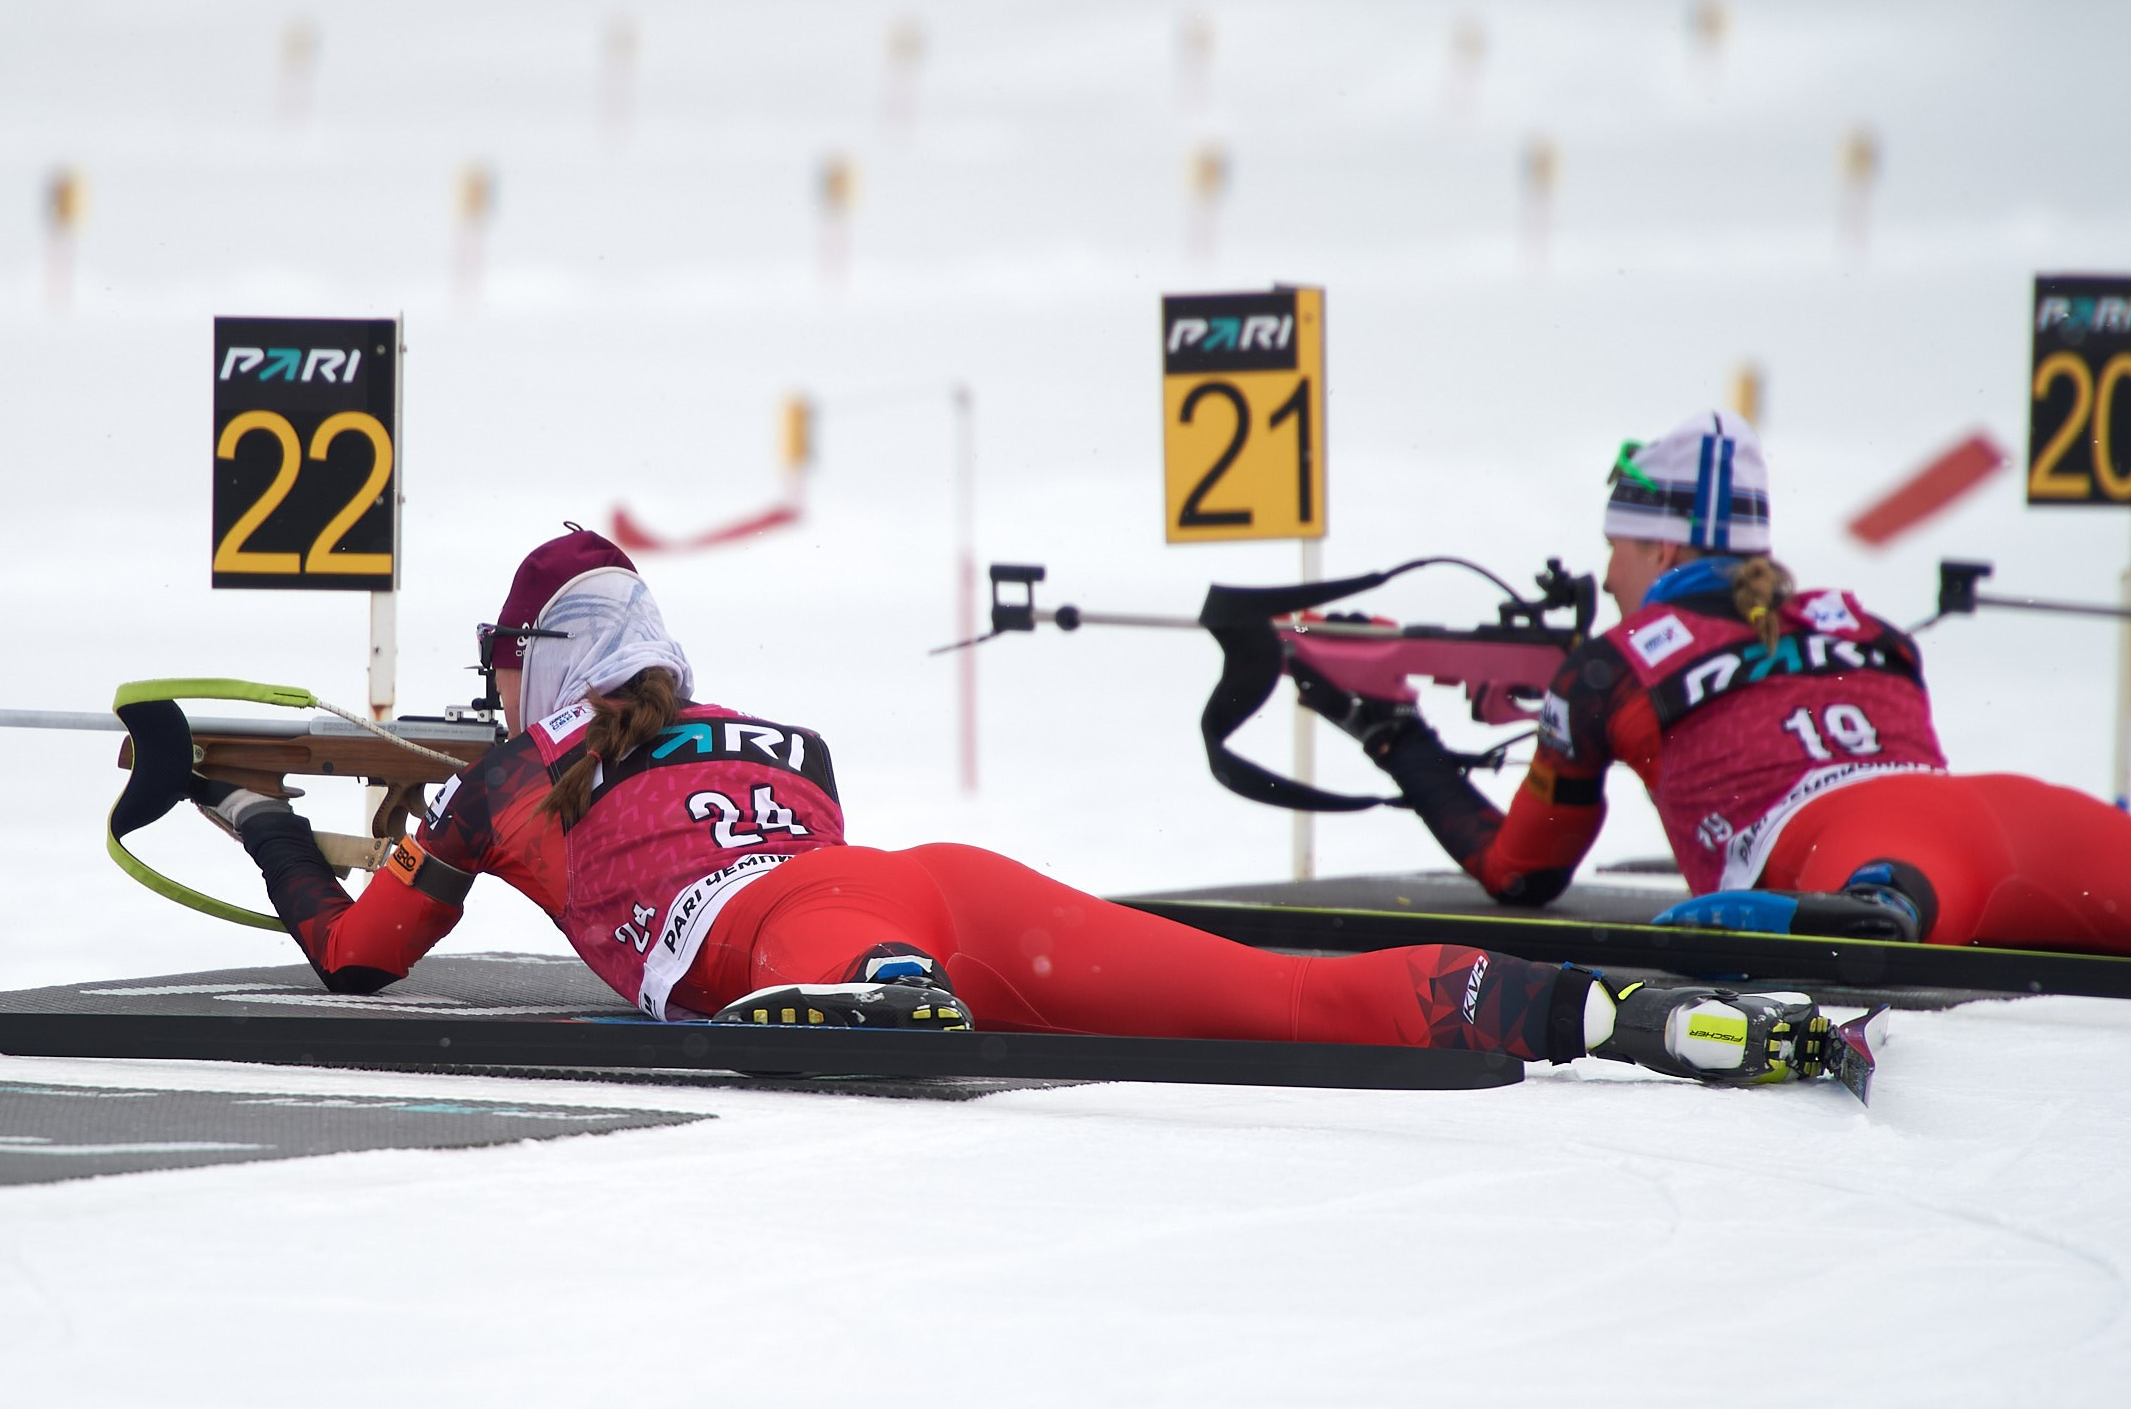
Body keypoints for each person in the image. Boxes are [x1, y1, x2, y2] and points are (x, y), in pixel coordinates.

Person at [193, 527, 1865, 1089]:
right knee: (1288, 1001)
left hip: (815, 933)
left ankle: (874, 1005)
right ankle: (1616, 1010)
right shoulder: (782, 734)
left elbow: (357, 958)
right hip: (938, 884)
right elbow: (673, 808)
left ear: (531, 669)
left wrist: (250, 816)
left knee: (832, 956)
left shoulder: (505, 780)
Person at [1300, 410, 2131, 955]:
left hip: (1867, 852)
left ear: (1662, 551)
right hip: (2014, 811)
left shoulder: (1608, 669)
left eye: (1617, 545)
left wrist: (1394, 735)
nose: (1607, 570)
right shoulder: (1864, 624)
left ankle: (1884, 899)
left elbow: (1522, 872)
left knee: (1876, 925)